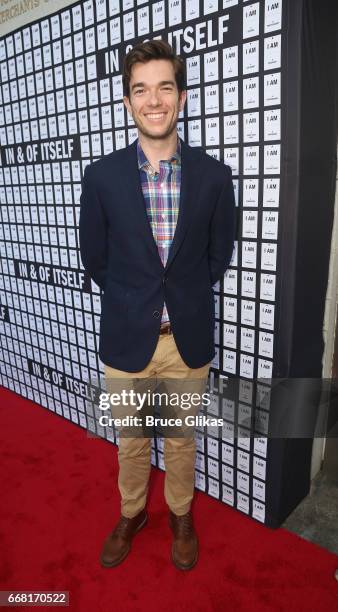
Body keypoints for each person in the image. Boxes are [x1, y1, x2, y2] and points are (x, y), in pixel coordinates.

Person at [79, 40, 235, 570]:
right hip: (126, 340)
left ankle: (181, 515)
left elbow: (218, 257)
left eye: (164, 87)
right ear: (127, 103)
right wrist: (135, 300)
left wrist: (183, 298)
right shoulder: (100, 177)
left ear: (182, 97)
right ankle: (132, 512)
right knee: (130, 441)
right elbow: (96, 260)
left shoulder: (214, 177)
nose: (153, 100)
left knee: (182, 439)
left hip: (186, 341)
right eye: (140, 89)